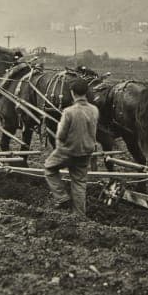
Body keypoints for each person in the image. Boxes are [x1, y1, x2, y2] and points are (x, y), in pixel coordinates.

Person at [43, 77, 99, 216]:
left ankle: (62, 197)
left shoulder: (69, 112)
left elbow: (61, 134)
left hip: (68, 150)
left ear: (73, 93)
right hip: (86, 151)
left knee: (49, 168)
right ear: (86, 92)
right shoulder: (94, 110)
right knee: (79, 183)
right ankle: (79, 216)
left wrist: (59, 146)